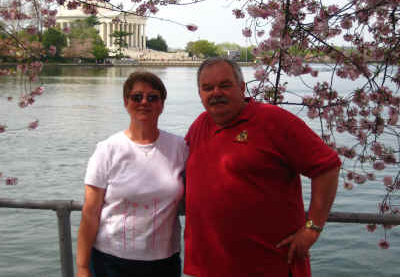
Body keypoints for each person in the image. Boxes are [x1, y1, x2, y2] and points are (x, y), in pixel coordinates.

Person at [183, 57, 341, 277]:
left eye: (225, 85)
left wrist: (312, 228)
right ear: (200, 94)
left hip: (269, 265)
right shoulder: (200, 125)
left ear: (241, 87)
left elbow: (327, 168)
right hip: (208, 267)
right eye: (207, 88)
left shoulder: (273, 121)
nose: (216, 92)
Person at [76, 71, 187, 277]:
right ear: (126, 103)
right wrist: (82, 267)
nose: (144, 102)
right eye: (137, 97)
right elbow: (90, 213)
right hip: (110, 261)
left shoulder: (179, 147)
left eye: (152, 97)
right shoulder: (107, 149)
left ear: (162, 104)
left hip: (164, 262)